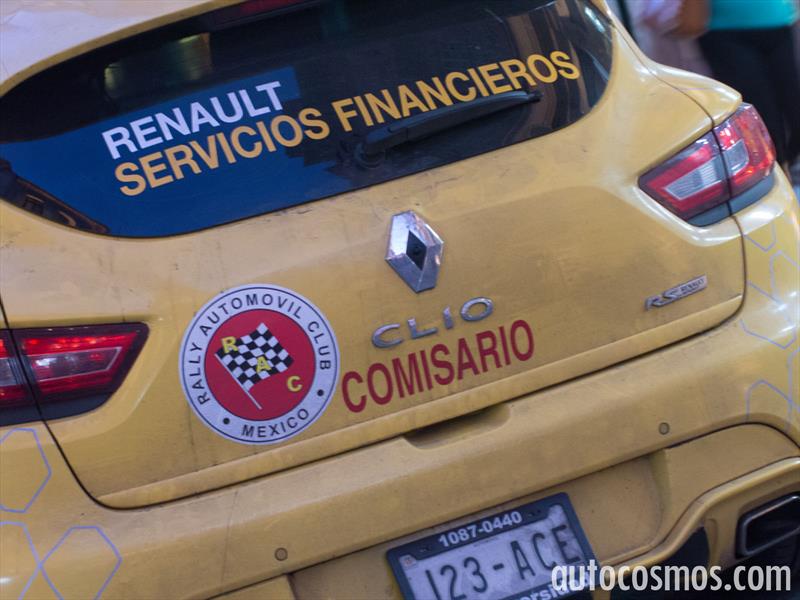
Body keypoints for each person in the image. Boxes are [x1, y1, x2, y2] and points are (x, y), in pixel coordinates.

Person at [696, 0, 800, 168]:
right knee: (762, 115)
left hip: (779, 22)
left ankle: (784, 166)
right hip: (724, 32)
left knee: (794, 110)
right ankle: (780, 172)